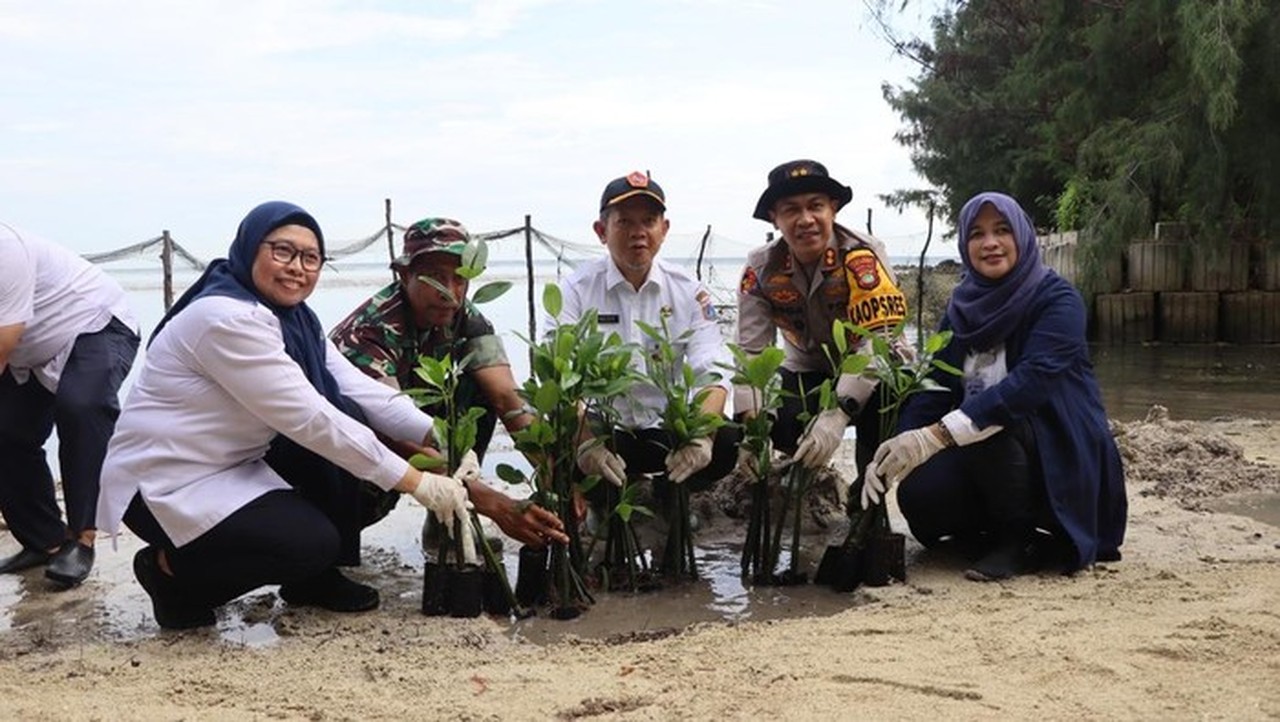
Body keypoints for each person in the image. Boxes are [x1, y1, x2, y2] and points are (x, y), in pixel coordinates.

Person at [95, 201, 557, 631]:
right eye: (282, 252)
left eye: (311, 258)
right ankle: (169, 574)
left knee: (331, 482)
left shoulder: (296, 319)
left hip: (233, 464)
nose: (297, 267)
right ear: (249, 249)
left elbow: (359, 391)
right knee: (307, 541)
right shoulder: (225, 319)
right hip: (165, 480)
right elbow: (314, 420)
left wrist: (439, 436)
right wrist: (423, 484)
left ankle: (311, 576)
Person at [863, 191, 1127, 581]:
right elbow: (935, 385)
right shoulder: (960, 310)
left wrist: (934, 436)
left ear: (1022, 236)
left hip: (1055, 446)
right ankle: (995, 531)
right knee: (920, 498)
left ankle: (1018, 540)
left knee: (989, 418)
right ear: (964, 245)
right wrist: (899, 446)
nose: (990, 243)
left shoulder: (1059, 301)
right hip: (987, 450)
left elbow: (1028, 385)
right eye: (977, 234)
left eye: (1002, 230)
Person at [330, 217, 563, 544]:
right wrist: (491, 502)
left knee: (480, 389)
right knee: (339, 524)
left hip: (421, 435)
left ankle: (449, 521)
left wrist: (558, 478)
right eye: (435, 278)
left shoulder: (466, 317)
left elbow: (507, 399)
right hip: (360, 459)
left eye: (459, 279)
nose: (449, 293)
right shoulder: (367, 333)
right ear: (405, 275)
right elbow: (389, 432)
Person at [556, 171, 740, 497]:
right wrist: (585, 444)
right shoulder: (575, 289)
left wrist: (700, 437)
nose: (638, 232)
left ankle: (671, 499)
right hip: (605, 428)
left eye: (649, 221)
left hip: (665, 427)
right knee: (556, 436)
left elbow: (712, 370)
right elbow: (559, 373)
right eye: (624, 222)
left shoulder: (688, 290)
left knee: (726, 439)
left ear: (664, 229)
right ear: (601, 231)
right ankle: (602, 504)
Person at [735, 159, 910, 486]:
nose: (805, 220)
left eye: (815, 206)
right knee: (779, 415)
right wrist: (752, 428)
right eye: (791, 210)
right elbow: (751, 351)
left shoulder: (863, 254)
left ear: (833, 209)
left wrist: (837, 412)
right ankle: (805, 481)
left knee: (888, 400)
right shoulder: (760, 269)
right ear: (774, 218)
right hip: (807, 367)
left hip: (874, 366)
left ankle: (868, 494)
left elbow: (878, 341)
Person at [0, 222, 140, 588]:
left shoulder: (5, 249)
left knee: (81, 407)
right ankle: (45, 541)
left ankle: (83, 538)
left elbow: (3, 341)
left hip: (94, 323)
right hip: (31, 347)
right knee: (8, 430)